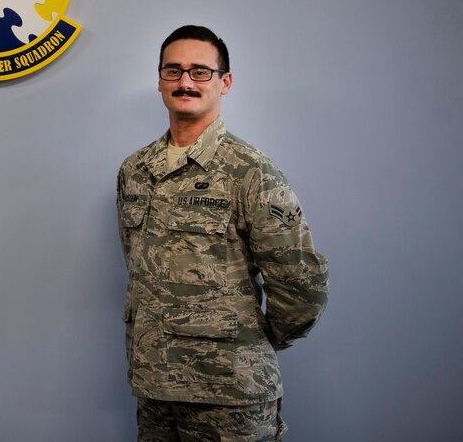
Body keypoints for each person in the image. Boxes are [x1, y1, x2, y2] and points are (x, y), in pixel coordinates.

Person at [116, 25, 328, 441]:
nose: (185, 82)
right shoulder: (135, 171)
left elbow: (301, 284)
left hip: (230, 391)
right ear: (159, 80)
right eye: (173, 71)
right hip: (155, 388)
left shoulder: (251, 171)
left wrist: (251, 341)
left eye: (200, 72)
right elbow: (138, 265)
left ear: (224, 82)